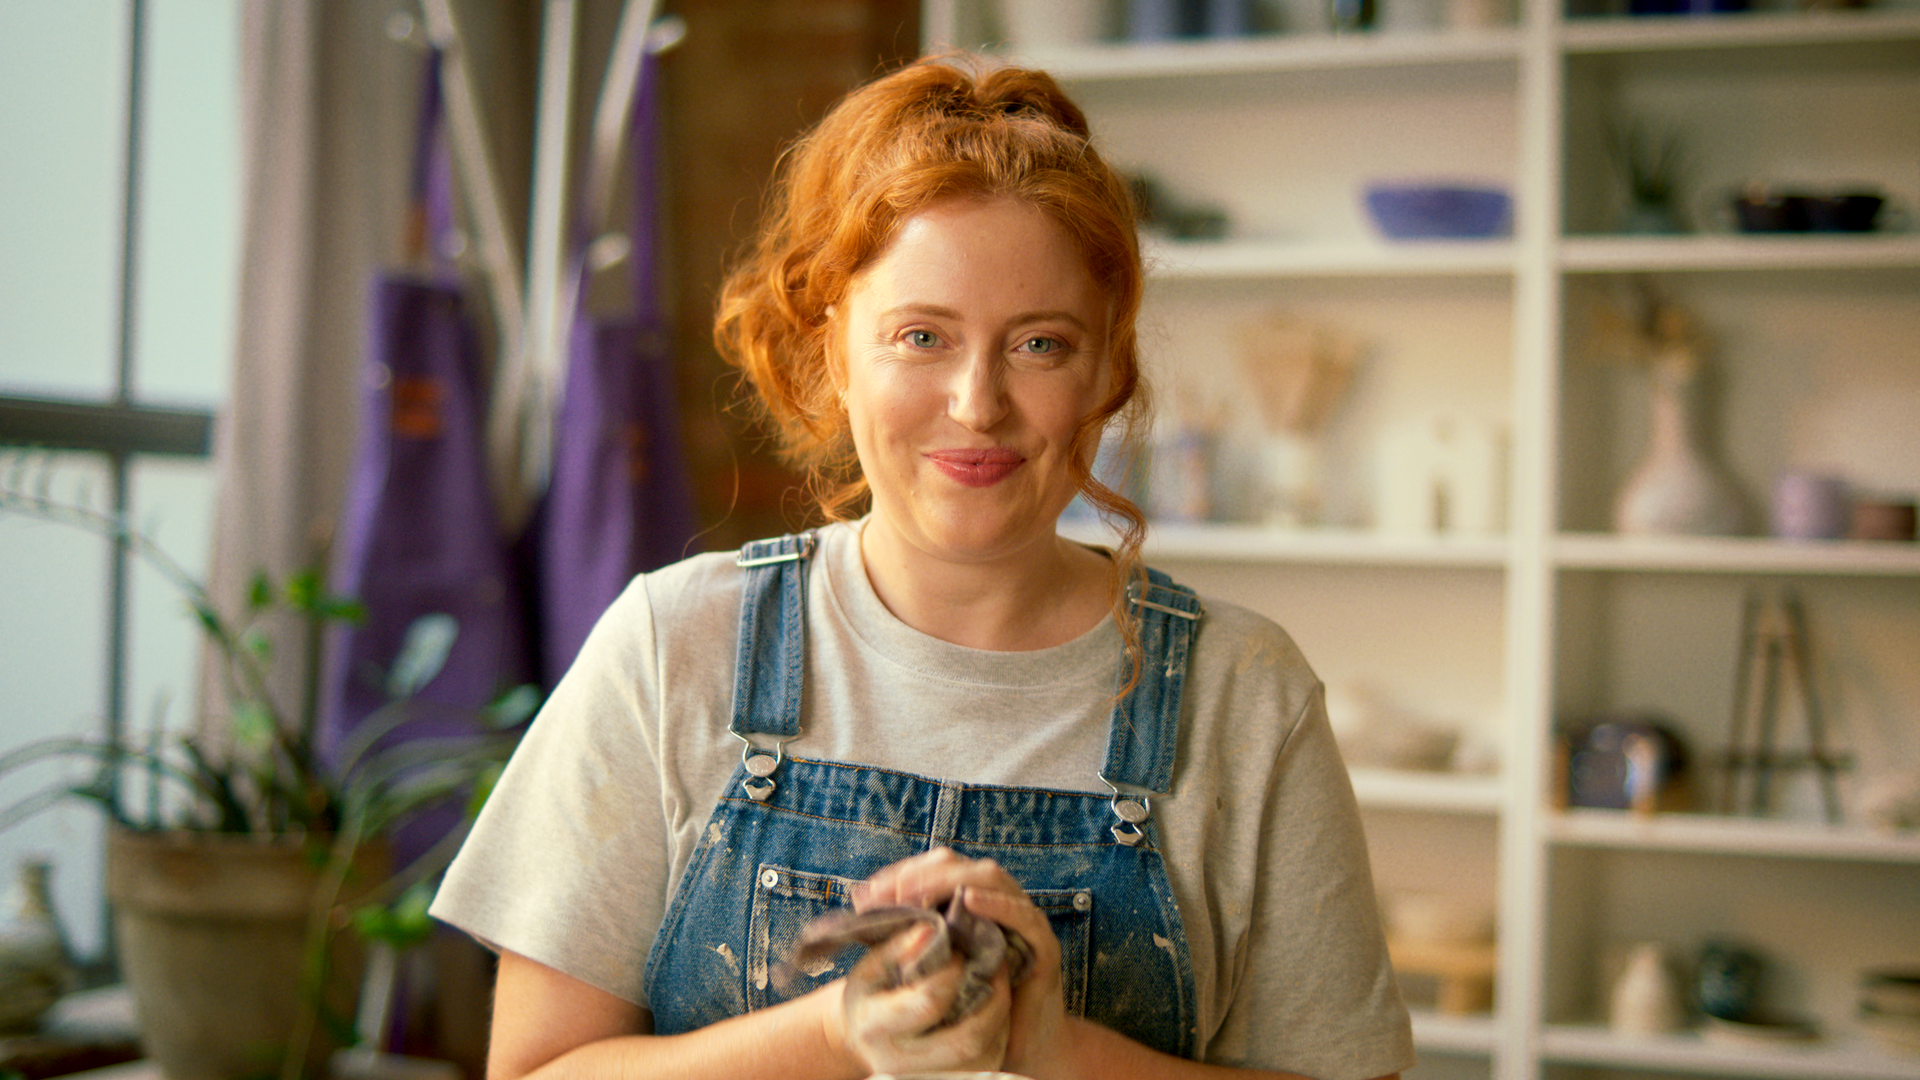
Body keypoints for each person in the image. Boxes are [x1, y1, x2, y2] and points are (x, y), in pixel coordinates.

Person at [429, 53, 1414, 1080]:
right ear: (832, 351)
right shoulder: (674, 646)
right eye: (921, 336)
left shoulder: (1243, 696)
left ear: (1107, 370)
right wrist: (830, 1033)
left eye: (1040, 344)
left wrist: (1055, 1046)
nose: (978, 402)